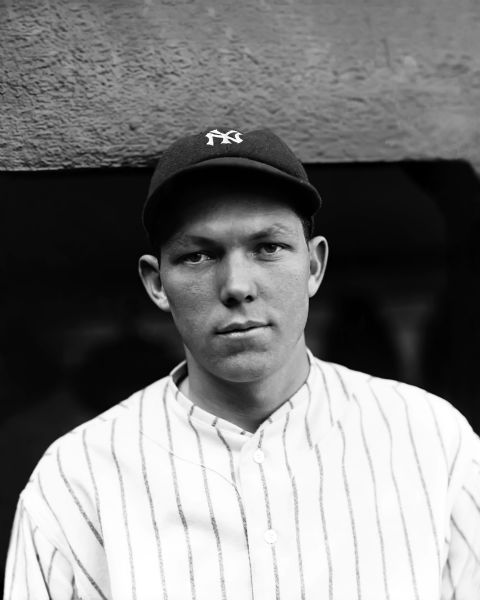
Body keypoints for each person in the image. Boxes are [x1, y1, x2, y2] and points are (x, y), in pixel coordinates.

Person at [4, 127, 480, 600]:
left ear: (313, 266)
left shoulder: (429, 438)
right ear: (156, 283)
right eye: (198, 255)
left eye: (268, 248)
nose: (237, 285)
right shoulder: (79, 476)